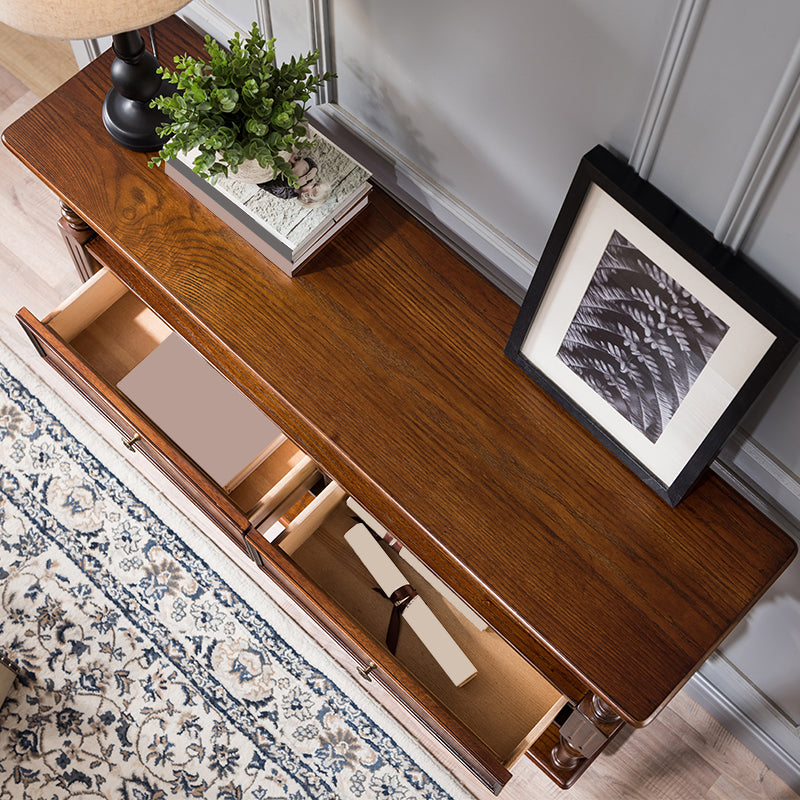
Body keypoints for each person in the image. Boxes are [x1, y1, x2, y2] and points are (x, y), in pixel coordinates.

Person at [259, 152, 331, 207]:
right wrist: (314, 168)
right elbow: (307, 160)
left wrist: (291, 183)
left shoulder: (286, 194)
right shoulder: (307, 178)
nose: (313, 181)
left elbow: (270, 184)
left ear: (305, 195)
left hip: (263, 173)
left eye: (314, 186)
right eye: (317, 182)